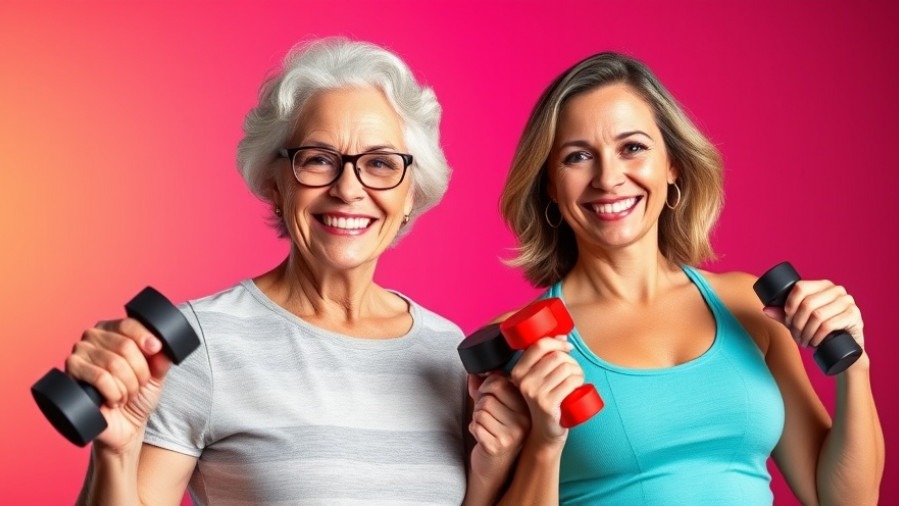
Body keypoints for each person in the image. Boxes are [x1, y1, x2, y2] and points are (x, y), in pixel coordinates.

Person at [69, 38, 528, 505]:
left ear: (410, 194)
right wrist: (116, 455)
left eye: (380, 163)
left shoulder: (445, 350)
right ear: (275, 183)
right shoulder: (200, 345)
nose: (349, 189)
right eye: (318, 160)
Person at [486, 51, 884, 504]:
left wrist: (854, 366)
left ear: (672, 164)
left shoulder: (747, 306)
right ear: (551, 187)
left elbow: (843, 499)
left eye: (632, 148)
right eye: (578, 157)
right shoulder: (522, 344)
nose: (609, 177)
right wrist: (543, 441)